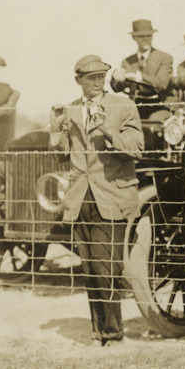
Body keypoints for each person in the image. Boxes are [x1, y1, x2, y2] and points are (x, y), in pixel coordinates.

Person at [49, 54, 144, 346]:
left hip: (112, 196)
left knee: (106, 268)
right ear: (78, 80)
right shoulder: (70, 110)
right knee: (89, 269)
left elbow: (137, 148)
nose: (97, 82)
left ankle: (113, 334)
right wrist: (55, 130)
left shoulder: (123, 106)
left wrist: (107, 131)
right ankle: (98, 332)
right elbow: (62, 155)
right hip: (81, 199)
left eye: (101, 77)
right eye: (90, 78)